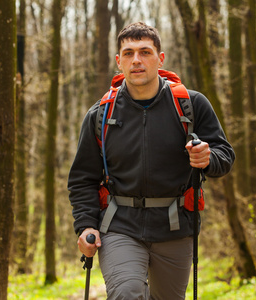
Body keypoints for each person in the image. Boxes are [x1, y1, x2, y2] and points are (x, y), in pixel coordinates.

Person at [68, 22, 234, 299]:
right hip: (119, 226)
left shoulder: (191, 106)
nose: (136, 60)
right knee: (126, 293)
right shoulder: (100, 115)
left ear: (160, 58)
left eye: (145, 52)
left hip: (176, 227)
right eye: (129, 53)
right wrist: (86, 225)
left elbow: (224, 156)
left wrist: (207, 158)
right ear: (118, 61)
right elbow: (82, 178)